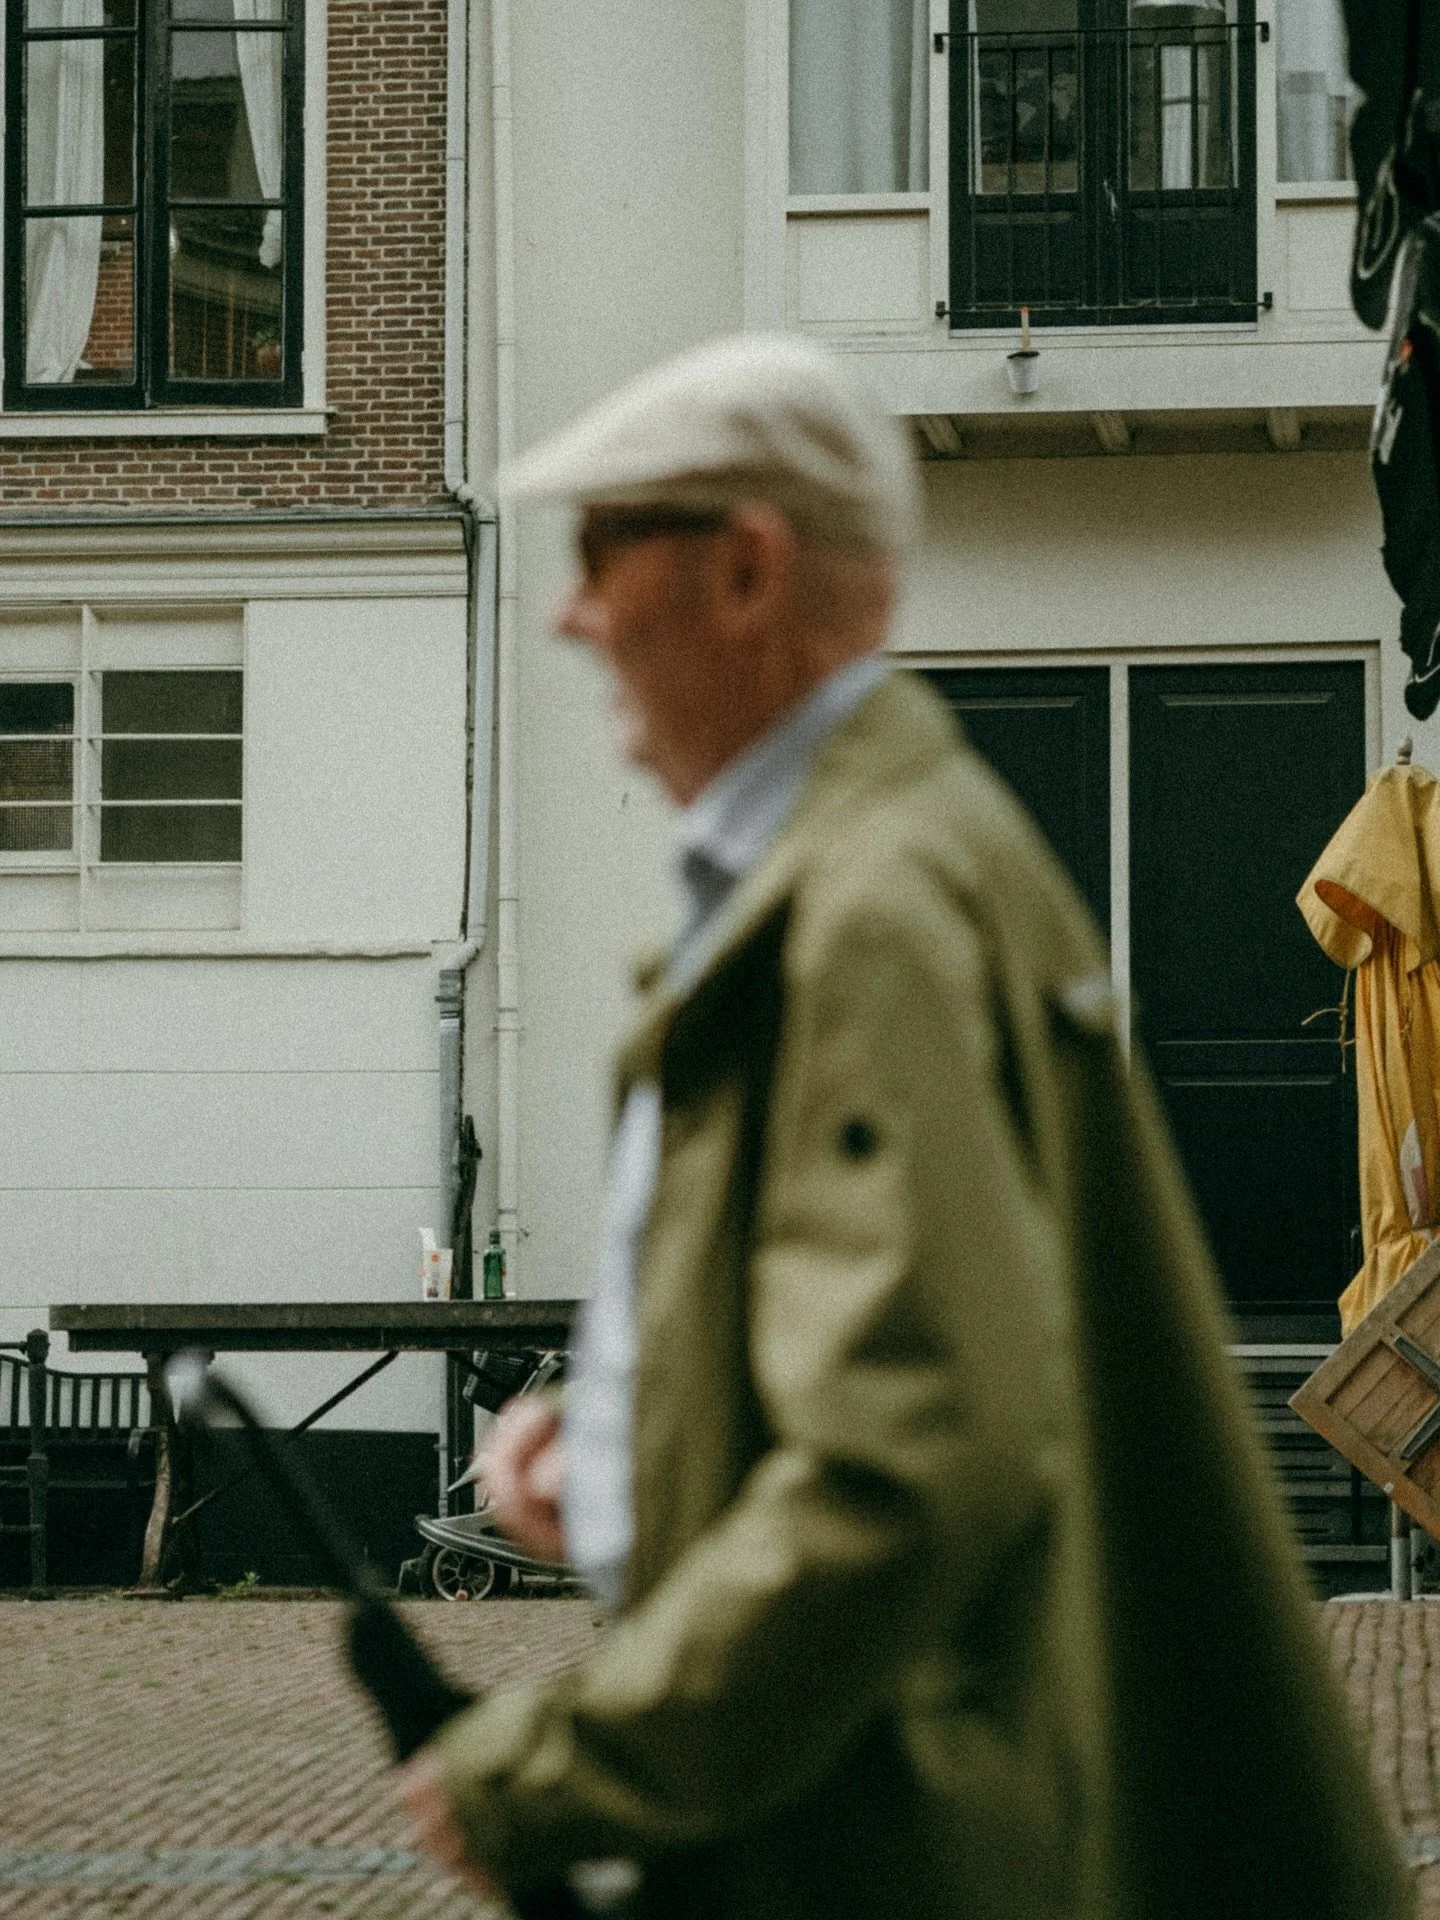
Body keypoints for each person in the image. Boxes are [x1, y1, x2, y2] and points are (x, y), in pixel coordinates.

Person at [399, 334, 1412, 1920]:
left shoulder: (859, 915)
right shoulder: (890, 866)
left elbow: (909, 1459)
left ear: (746, 571)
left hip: (874, 1845)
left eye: (602, 551)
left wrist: (553, 1771)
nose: (567, 612)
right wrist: (618, 1462)